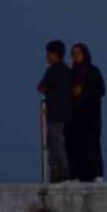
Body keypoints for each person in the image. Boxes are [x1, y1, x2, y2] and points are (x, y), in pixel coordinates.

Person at [66, 43, 106, 182]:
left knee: (92, 144)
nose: (75, 56)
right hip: (75, 117)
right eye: (73, 53)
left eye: (78, 53)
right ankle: (77, 175)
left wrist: (83, 91)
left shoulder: (93, 72)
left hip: (91, 116)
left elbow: (100, 90)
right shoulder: (71, 73)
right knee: (75, 146)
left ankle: (97, 174)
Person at [37, 39, 72, 182]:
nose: (47, 57)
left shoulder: (52, 71)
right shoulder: (68, 71)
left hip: (54, 114)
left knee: (55, 144)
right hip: (68, 113)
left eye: (48, 54)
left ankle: (61, 173)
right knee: (63, 144)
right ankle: (64, 172)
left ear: (54, 55)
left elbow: (41, 88)